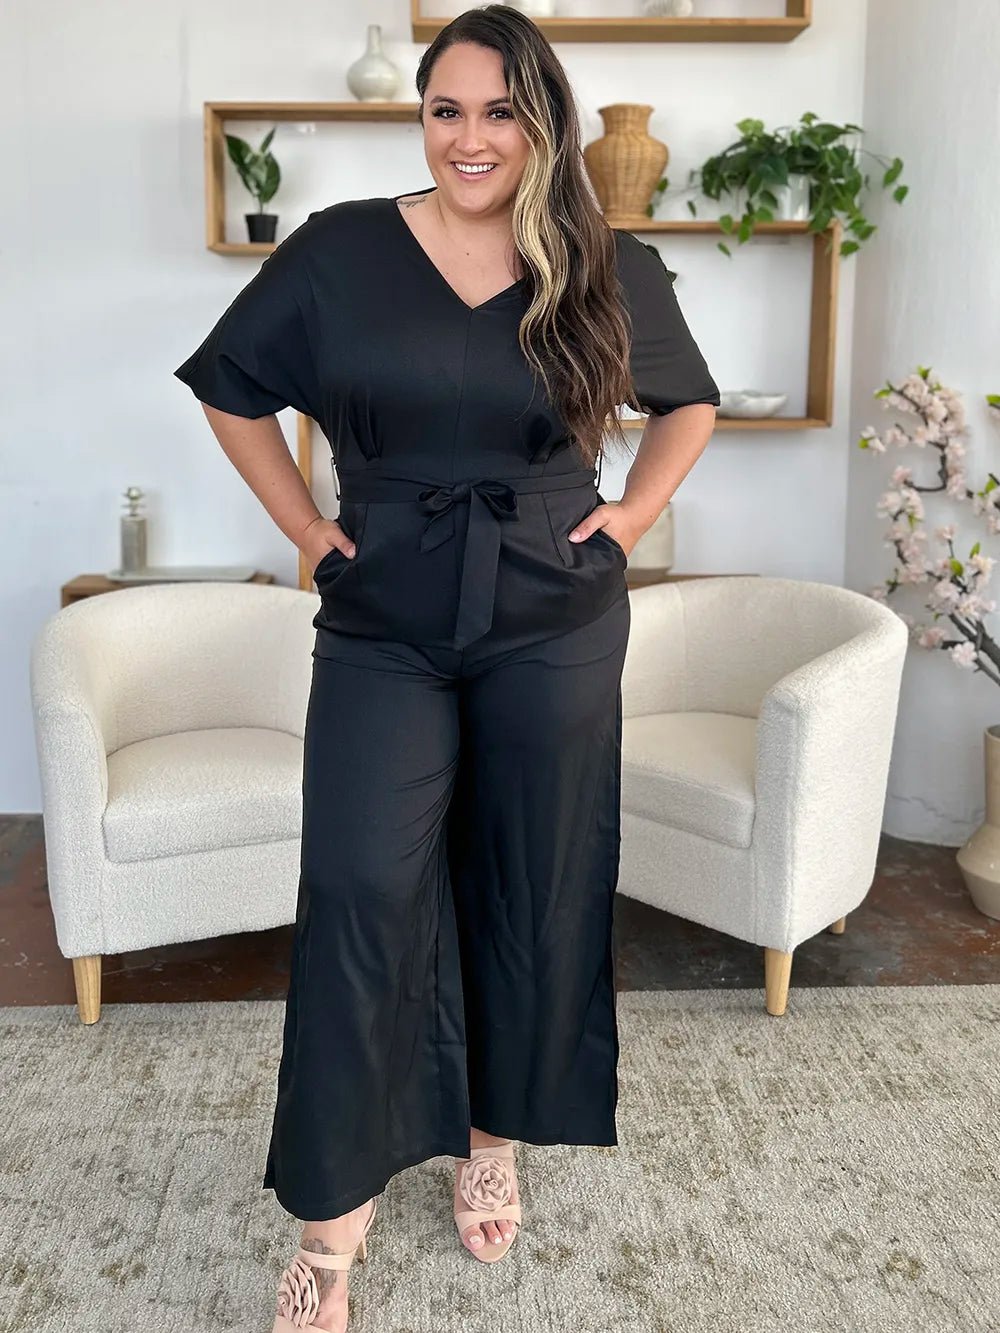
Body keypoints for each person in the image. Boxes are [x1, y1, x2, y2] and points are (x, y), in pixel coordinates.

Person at [173, 7, 718, 1330]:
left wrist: (630, 518)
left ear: (546, 124)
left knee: (529, 880)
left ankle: (491, 1137)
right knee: (362, 883)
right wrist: (307, 529)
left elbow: (687, 403)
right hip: (386, 614)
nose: (471, 138)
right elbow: (231, 385)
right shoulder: (340, 250)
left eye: (501, 111)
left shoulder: (602, 260)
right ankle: (331, 1217)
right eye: (446, 110)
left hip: (554, 610)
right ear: (421, 118)